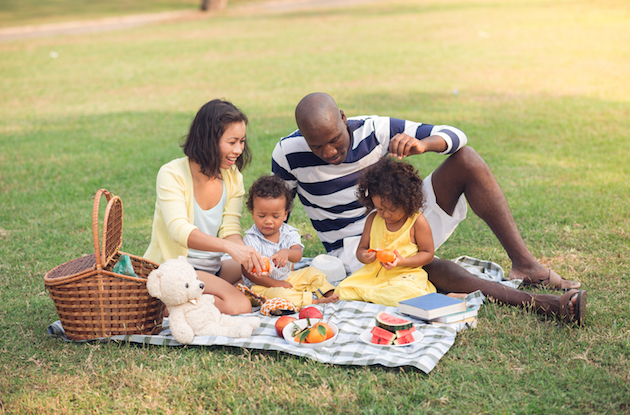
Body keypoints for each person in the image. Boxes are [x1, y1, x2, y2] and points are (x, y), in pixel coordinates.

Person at [271, 92, 587, 325]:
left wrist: (424, 145)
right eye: (317, 145)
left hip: (400, 219)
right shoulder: (287, 153)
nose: (329, 151)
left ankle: (526, 266)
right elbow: (278, 212)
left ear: (343, 118)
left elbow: (456, 136)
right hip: (357, 250)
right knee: (433, 269)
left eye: (335, 139)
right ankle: (541, 303)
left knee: (467, 158)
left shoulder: (374, 129)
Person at [144, 99, 266, 315]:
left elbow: (230, 229)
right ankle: (163, 304)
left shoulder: (233, 177)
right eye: (232, 142)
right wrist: (229, 248)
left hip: (210, 269)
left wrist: (244, 252)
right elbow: (179, 231)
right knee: (240, 305)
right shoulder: (172, 174)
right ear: (209, 140)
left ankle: (192, 299)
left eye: (242, 141)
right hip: (177, 271)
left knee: (261, 271)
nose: (239, 149)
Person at [335, 157, 438, 306]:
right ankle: (376, 295)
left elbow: (428, 254)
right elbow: (361, 250)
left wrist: (402, 261)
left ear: (407, 201)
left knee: (408, 293)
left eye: (392, 209)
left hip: (404, 276)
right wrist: (365, 256)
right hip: (373, 275)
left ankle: (374, 296)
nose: (386, 214)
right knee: (342, 290)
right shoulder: (373, 219)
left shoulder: (416, 221)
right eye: (380, 209)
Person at [241, 174, 339, 307]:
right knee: (281, 295)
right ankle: (313, 301)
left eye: (276, 216)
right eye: (262, 215)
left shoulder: (289, 233)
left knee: (313, 272)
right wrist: (276, 284)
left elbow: (297, 255)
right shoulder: (251, 239)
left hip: (288, 278)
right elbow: (247, 271)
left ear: (285, 214)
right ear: (252, 213)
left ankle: (328, 292)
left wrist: (286, 253)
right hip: (261, 287)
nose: (268, 221)